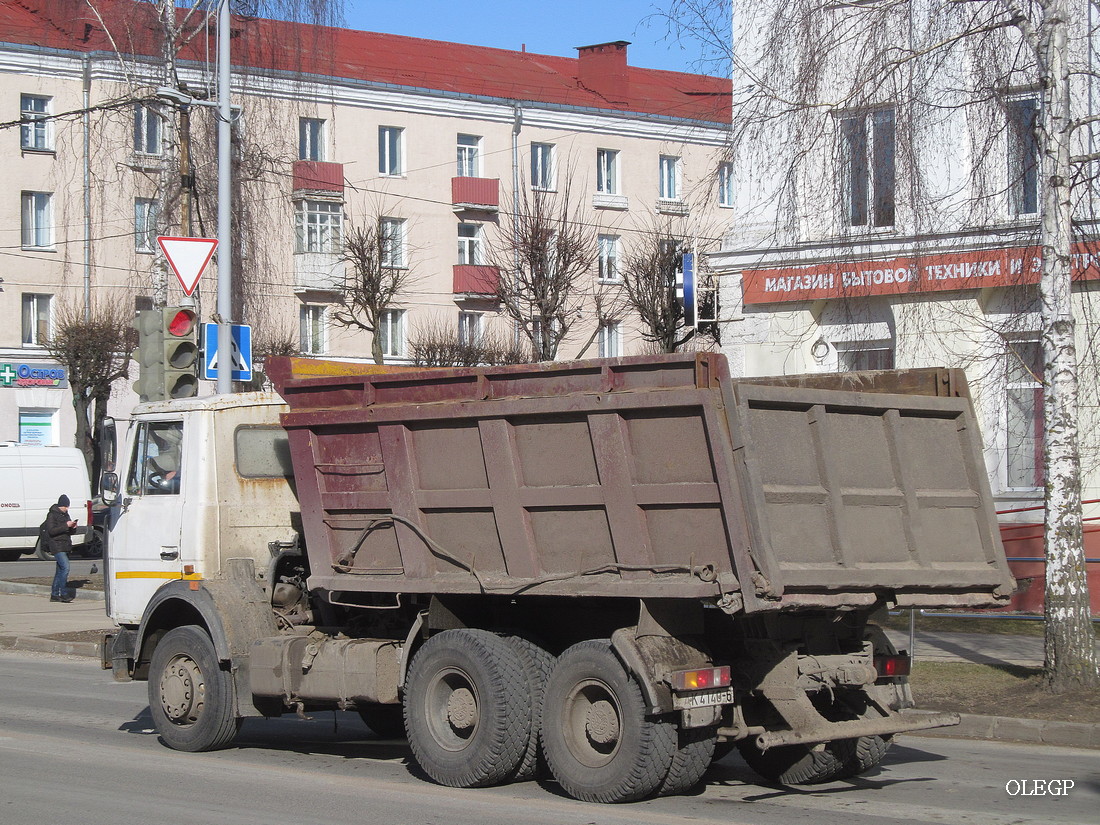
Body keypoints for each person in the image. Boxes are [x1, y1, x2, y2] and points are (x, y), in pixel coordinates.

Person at [46, 494, 77, 603]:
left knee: (60, 570)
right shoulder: (52, 515)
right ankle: (63, 593)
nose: (67, 509)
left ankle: (54, 594)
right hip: (56, 545)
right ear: (61, 505)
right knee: (65, 568)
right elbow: (51, 531)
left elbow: (68, 531)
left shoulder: (65, 515)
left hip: (65, 544)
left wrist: (72, 527)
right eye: (66, 506)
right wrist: (66, 526)